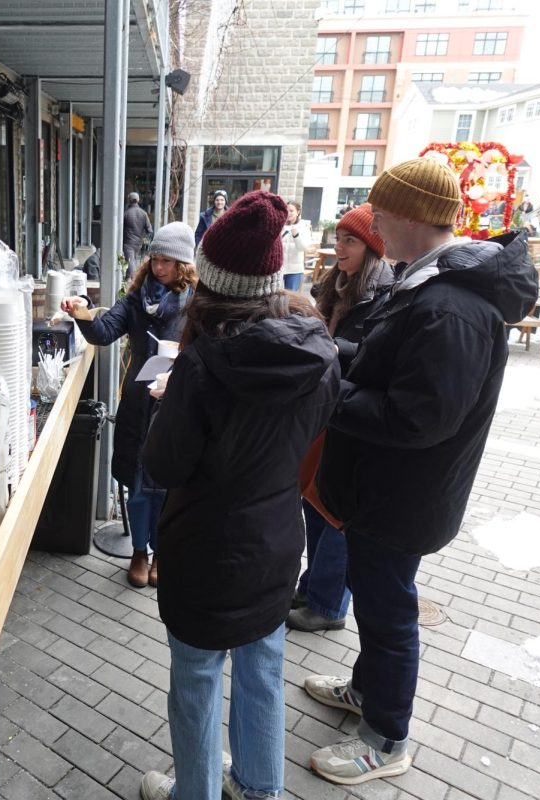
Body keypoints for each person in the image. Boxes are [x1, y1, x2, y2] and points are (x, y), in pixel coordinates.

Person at [306, 158, 537, 785]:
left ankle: (385, 738)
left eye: (380, 212)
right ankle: (365, 693)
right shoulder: (425, 284)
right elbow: (390, 363)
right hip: (383, 491)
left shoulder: (449, 307)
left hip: (402, 498)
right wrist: (328, 350)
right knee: (377, 604)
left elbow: (419, 417)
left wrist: (326, 393)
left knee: (387, 614)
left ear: (411, 216)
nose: (373, 222)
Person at [137, 192, 340, 800]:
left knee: (198, 679)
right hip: (276, 543)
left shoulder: (202, 366)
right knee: (263, 671)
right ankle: (259, 788)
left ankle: (192, 792)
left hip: (205, 552)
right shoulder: (319, 349)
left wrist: (168, 404)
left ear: (214, 281)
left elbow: (164, 463)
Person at [60, 221, 197, 588]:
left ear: (184, 264)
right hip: (139, 404)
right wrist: (83, 313)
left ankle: (163, 551)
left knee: (169, 484)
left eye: (168, 261)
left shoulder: (198, 303)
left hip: (179, 403)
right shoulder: (137, 299)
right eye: (155, 259)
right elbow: (104, 332)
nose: (159, 268)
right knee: (139, 483)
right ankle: (140, 551)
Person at [289, 203, 393, 634]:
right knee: (313, 502)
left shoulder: (385, 293)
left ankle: (328, 605)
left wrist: (331, 350)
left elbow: (375, 357)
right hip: (326, 411)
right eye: (338, 239)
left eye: (349, 240)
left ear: (372, 247)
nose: (339, 247)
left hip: (352, 417)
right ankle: (315, 584)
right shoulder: (335, 283)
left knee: (334, 515)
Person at [281, 200, 313, 292]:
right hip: (279, 269)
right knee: (276, 297)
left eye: (291, 211)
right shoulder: (280, 225)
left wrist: (296, 235)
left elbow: (303, 248)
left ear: (298, 212)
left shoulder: (304, 227)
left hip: (294, 271)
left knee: (291, 298)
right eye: (286, 210)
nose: (288, 213)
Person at [123, 192, 153, 265]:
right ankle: (132, 275)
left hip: (128, 242)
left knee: (131, 263)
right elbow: (149, 231)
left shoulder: (126, 213)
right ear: (138, 200)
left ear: (129, 200)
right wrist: (145, 242)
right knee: (134, 261)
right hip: (139, 243)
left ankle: (133, 276)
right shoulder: (143, 213)